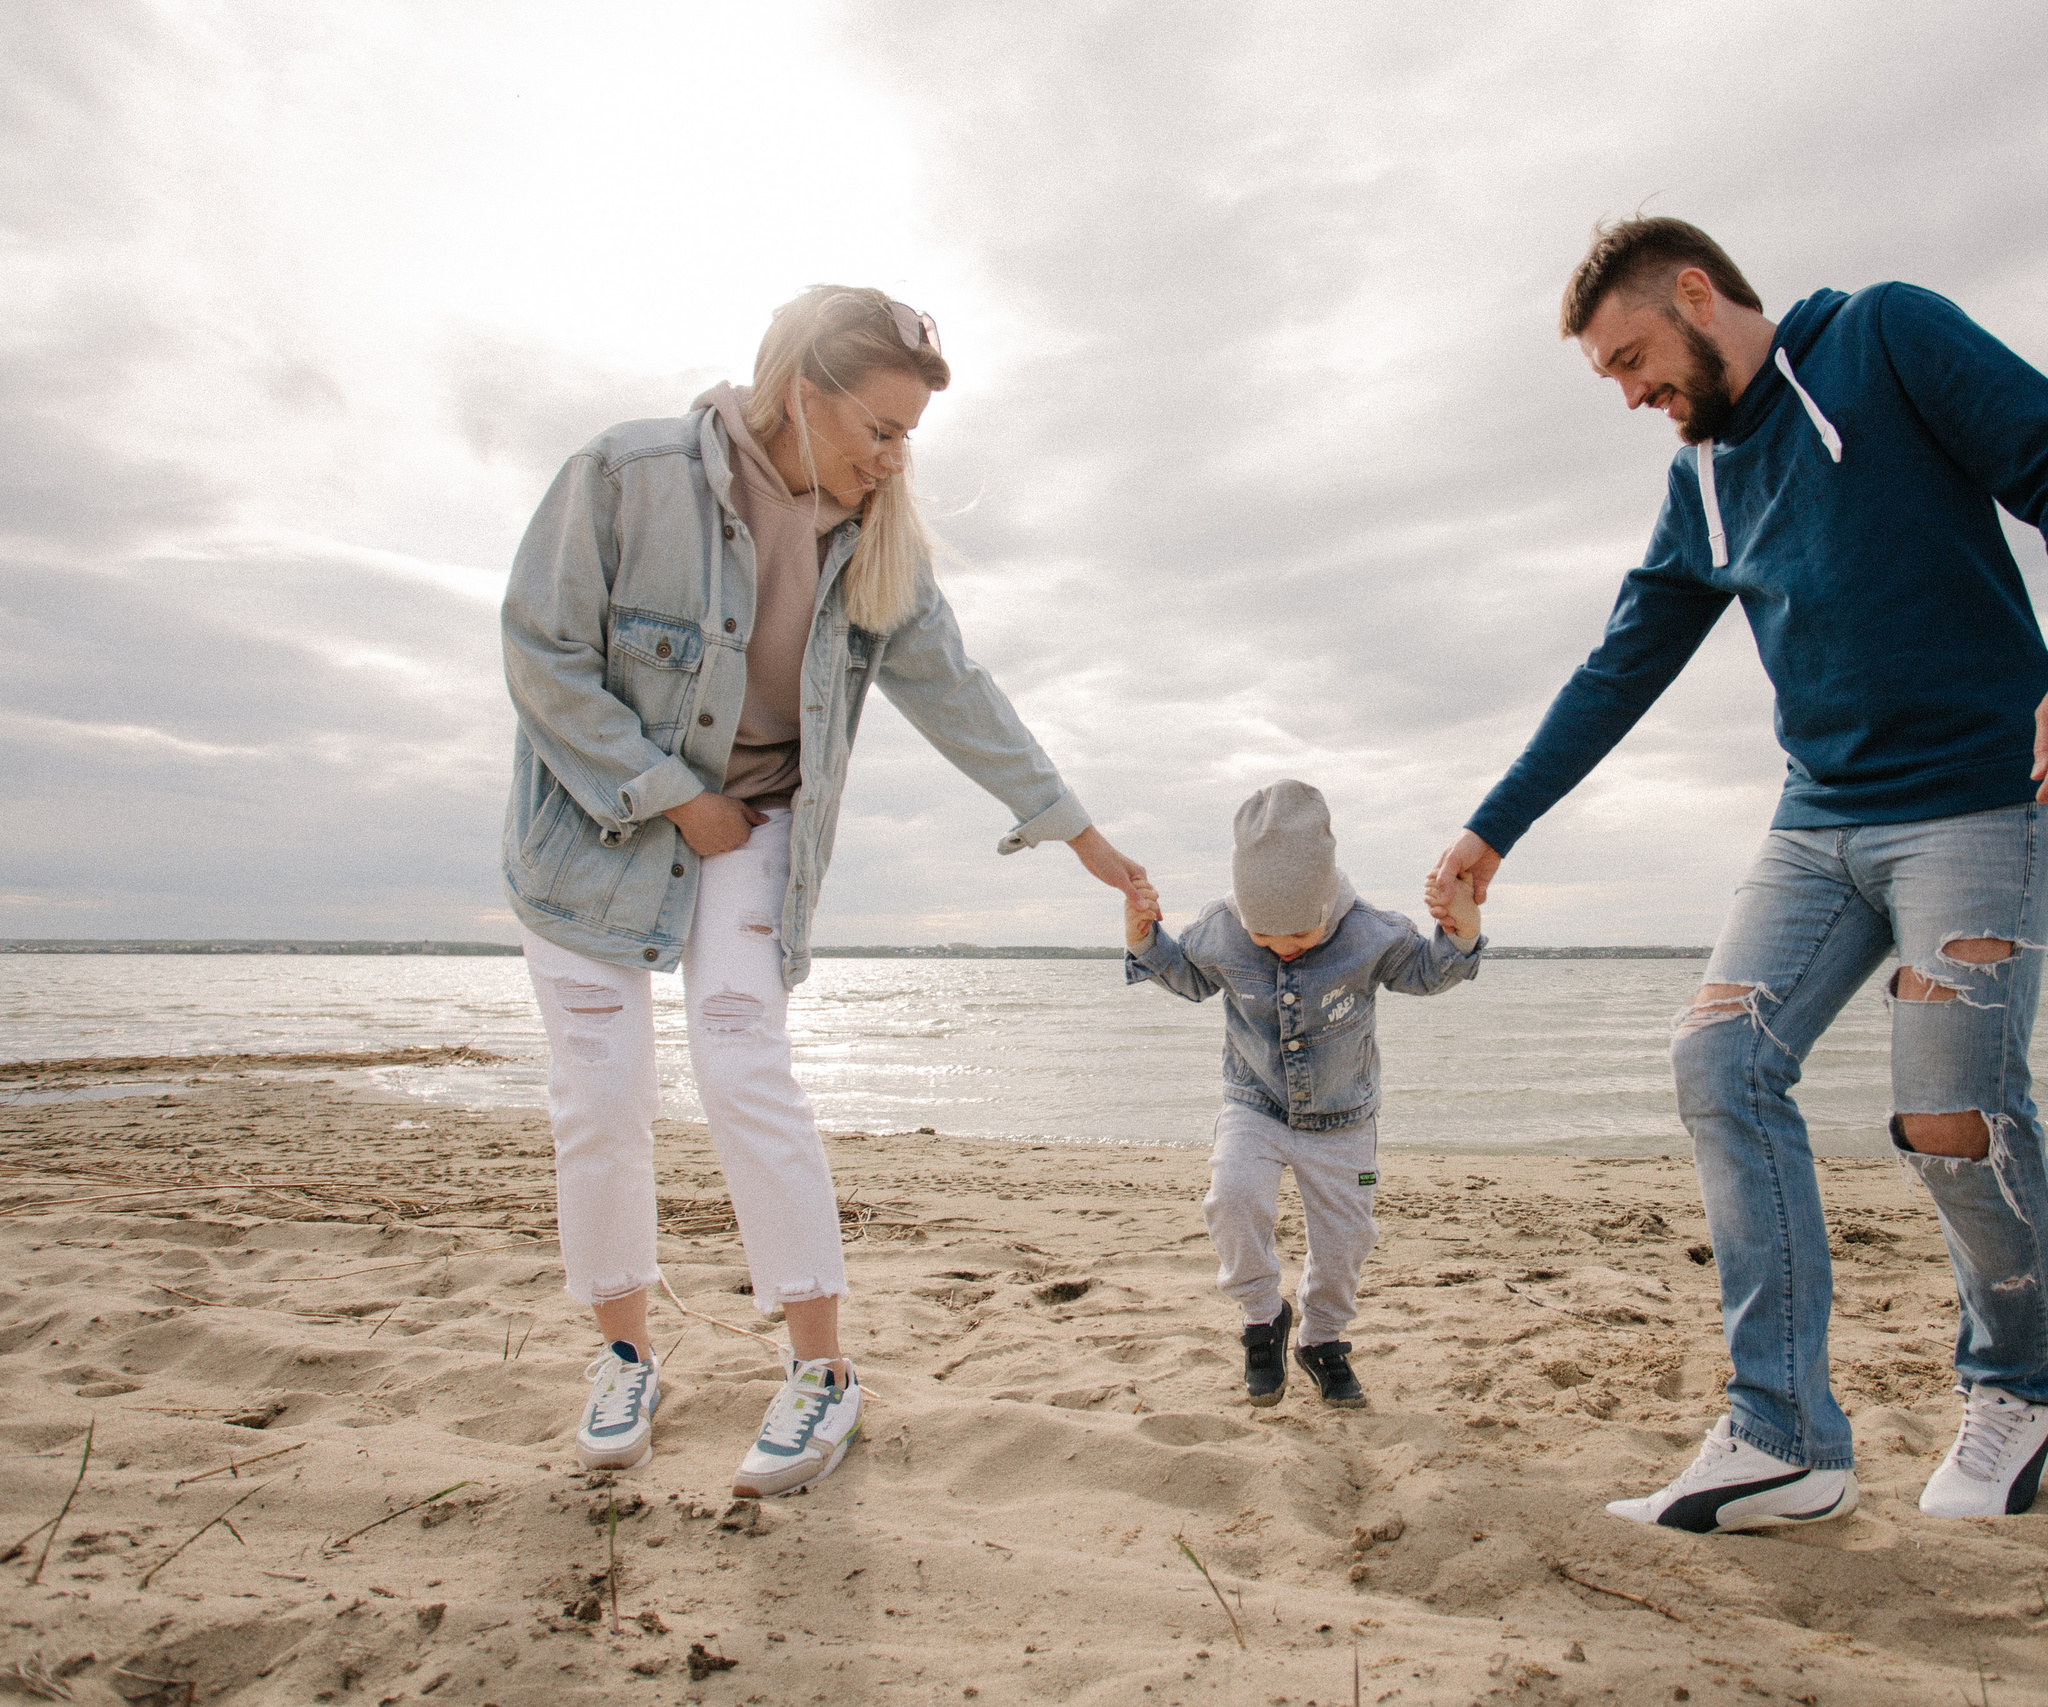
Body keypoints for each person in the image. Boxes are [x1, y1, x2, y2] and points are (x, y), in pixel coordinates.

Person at [1431, 218, 2048, 1529]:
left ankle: (2015, 1385)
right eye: (1611, 377)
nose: (1633, 392)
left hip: (1984, 802)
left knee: (1953, 1116)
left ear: (1699, 294)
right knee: (1720, 1059)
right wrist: (1495, 828)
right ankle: (1784, 1435)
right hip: (1818, 820)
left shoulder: (1883, 336)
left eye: (1635, 357)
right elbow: (1618, 668)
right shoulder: (1700, 482)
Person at [500, 286, 1147, 1498]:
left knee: (741, 1056)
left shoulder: (872, 539)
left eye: (910, 436)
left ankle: (821, 1376)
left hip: (755, 819)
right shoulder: (623, 472)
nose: (896, 459)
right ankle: (626, 1353)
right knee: (598, 1096)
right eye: (884, 430)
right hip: (593, 829)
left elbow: (958, 689)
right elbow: (539, 652)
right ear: (802, 392)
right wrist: (660, 789)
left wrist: (1079, 836)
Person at [1124, 780, 1484, 1408]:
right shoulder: (1219, 930)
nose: (1284, 948)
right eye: (1266, 939)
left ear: (1329, 904)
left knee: (1347, 1240)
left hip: (1345, 1117)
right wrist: (1142, 938)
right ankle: (1263, 1318)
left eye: (1302, 936)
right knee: (1231, 1196)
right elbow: (1186, 978)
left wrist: (1460, 932)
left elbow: (1428, 974)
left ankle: (1322, 1338)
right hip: (1253, 1103)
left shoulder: (1372, 933)